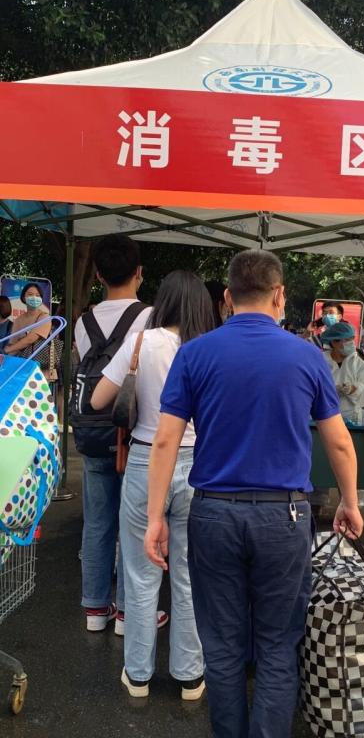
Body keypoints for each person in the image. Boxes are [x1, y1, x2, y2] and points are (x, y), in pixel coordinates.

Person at [145, 250, 363, 738]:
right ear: (280, 295)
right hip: (283, 516)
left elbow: (166, 440)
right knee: (276, 642)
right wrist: (350, 502)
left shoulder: (195, 354)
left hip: (213, 512)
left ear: (226, 298)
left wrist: (153, 517)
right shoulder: (306, 356)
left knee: (221, 641)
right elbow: (338, 442)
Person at [91, 271, 215, 700]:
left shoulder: (142, 341)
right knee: (189, 573)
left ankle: (138, 675)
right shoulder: (209, 349)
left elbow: (98, 399)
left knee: (141, 572)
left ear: (163, 301)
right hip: (199, 463)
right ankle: (190, 676)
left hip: (146, 459)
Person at [75, 235, 152, 634]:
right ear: (139, 272)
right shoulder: (150, 318)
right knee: (132, 525)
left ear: (99, 275)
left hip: (92, 432)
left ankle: (94, 608)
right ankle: (125, 613)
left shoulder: (81, 323)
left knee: (97, 522)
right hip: (132, 434)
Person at [321, 320, 364, 423]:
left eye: (352, 339)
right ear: (334, 342)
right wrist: (328, 390)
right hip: (323, 417)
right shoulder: (321, 361)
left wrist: (354, 389)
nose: (351, 343)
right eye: (347, 340)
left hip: (351, 419)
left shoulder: (357, 363)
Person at [3, 284, 51, 357]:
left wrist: (6, 350)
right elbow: (13, 343)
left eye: (37, 295)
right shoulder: (18, 320)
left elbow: (31, 339)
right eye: (30, 294)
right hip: (22, 361)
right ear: (24, 298)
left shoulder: (45, 317)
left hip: (40, 362)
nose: (34, 298)